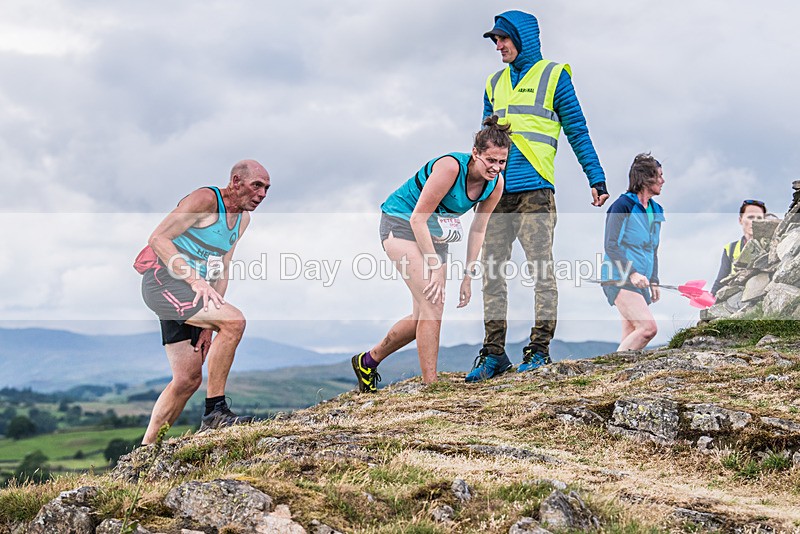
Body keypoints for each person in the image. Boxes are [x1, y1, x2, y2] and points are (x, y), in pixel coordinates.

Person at [466, 10, 609, 382]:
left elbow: (577, 129)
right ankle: (493, 353)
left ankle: (539, 350)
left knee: (540, 270)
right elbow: (482, 145)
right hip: (496, 193)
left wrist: (595, 177)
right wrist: (471, 190)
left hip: (536, 191)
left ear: (522, 38)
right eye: (495, 40)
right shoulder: (493, 82)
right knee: (492, 272)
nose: (498, 45)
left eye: (503, 38)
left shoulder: (554, 77)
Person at [351, 117, 510, 392]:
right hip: (401, 224)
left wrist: (468, 275)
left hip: (435, 235)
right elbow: (417, 219)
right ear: (475, 154)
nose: (495, 168)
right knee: (433, 304)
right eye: (490, 160)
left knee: (423, 315)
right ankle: (431, 386)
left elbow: (478, 229)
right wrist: (435, 266)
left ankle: (368, 360)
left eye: (501, 162)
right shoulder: (450, 167)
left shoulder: (495, 184)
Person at [133, 160, 270, 444]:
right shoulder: (206, 200)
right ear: (235, 181)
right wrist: (195, 280)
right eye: (257, 185)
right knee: (235, 321)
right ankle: (215, 413)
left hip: (195, 294)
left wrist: (211, 324)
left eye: (267, 189)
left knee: (187, 379)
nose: (262, 194)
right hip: (164, 282)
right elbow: (158, 238)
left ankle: (144, 452)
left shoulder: (242, 220)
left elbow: (222, 266)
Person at [601, 153, 665, 351]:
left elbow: (653, 249)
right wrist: (632, 273)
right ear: (645, 178)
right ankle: (609, 369)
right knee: (648, 328)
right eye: (659, 175)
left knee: (630, 336)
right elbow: (611, 245)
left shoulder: (657, 210)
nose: (663, 180)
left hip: (641, 281)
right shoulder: (622, 206)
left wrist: (654, 280)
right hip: (618, 277)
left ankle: (613, 379)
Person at [710, 200, 767, 295]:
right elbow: (720, 282)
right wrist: (710, 300)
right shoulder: (730, 249)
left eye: (759, 218)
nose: (755, 221)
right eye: (750, 217)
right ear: (740, 220)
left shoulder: (772, 246)